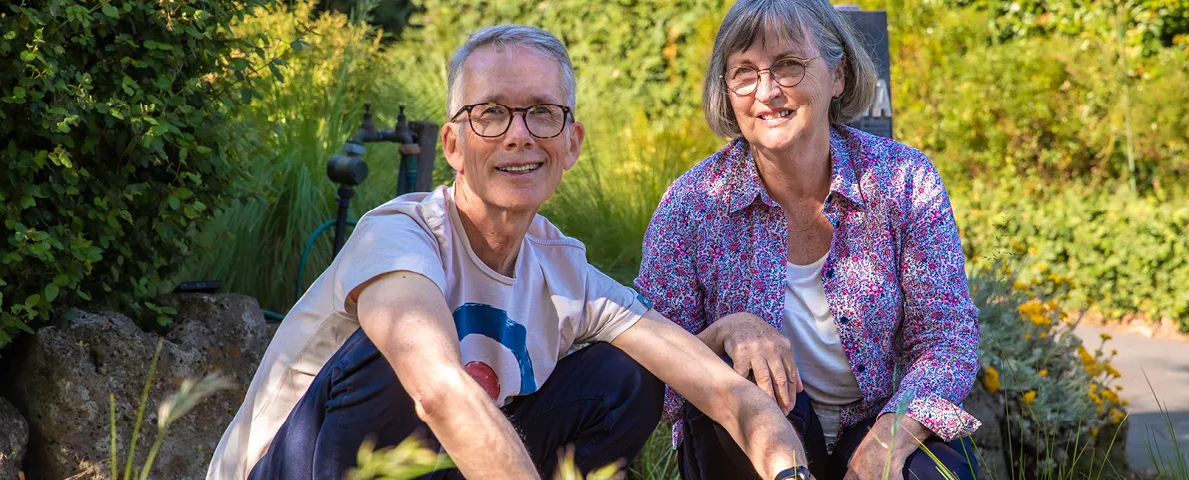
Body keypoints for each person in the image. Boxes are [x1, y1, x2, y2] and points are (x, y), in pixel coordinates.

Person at [210, 24, 816, 480]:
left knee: (626, 375)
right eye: (491, 113)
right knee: (397, 351)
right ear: (452, 143)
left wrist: (791, 471)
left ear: (571, 142)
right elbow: (438, 391)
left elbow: (722, 391)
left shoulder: (563, 272)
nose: (518, 134)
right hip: (293, 468)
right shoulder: (399, 235)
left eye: (541, 114)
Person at [635, 1, 982, 479]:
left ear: (837, 75)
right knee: (738, 395)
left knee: (928, 472)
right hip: (747, 442)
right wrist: (726, 331)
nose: (767, 91)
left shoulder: (903, 180)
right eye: (744, 73)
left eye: (789, 66)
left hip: (875, 418)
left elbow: (947, 339)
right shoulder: (692, 205)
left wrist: (889, 436)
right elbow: (657, 376)